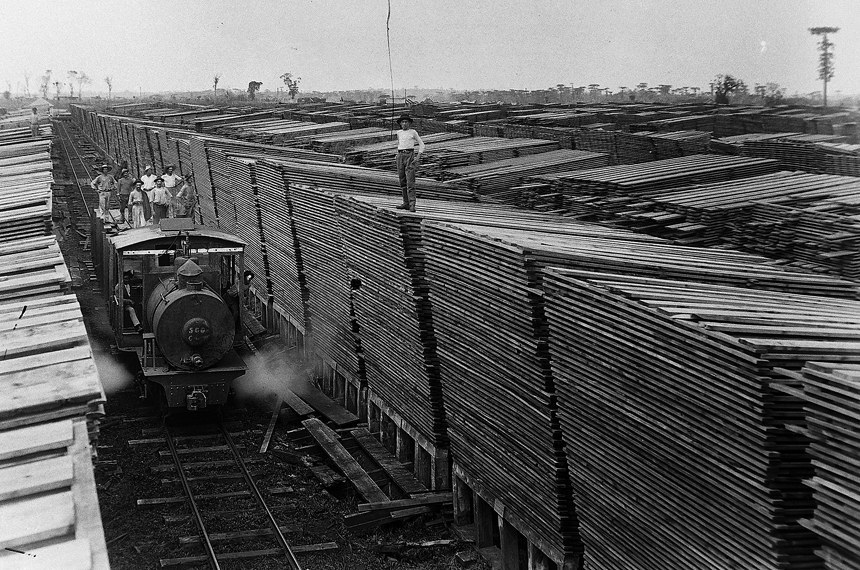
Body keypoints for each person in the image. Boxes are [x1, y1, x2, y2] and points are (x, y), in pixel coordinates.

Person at [394, 114, 424, 212]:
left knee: (410, 181)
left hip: (410, 156)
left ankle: (412, 204)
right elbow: (400, 144)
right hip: (400, 156)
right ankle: (405, 203)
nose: (404, 124)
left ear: (409, 123)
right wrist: (397, 155)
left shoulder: (413, 132)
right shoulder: (398, 133)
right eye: (402, 122)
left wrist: (418, 156)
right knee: (402, 181)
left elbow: (422, 144)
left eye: (406, 122)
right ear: (400, 124)